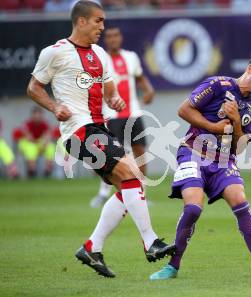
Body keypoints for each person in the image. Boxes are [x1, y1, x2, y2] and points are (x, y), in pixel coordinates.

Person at [26, 0, 175, 278]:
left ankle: (92, 247)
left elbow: (110, 90)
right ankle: (151, 241)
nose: (102, 27)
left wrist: (115, 99)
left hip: (99, 128)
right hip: (78, 131)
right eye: (98, 21)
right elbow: (34, 87)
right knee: (131, 173)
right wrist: (54, 107)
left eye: (103, 21)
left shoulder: (99, 54)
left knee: (128, 184)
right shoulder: (55, 52)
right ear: (81, 21)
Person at [149, 55, 251, 280]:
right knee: (193, 208)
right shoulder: (217, 85)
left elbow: (239, 149)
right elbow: (184, 110)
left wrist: (237, 121)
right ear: (250, 69)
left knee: (240, 200)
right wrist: (213, 126)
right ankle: (173, 266)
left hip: (223, 160)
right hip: (192, 152)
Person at [89, 26, 155, 208]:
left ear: (121, 38)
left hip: (133, 113)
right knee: (111, 155)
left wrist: (148, 90)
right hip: (111, 115)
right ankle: (103, 194)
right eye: (109, 36)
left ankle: (142, 192)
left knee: (140, 151)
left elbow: (140, 77)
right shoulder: (99, 59)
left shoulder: (131, 57)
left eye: (116, 35)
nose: (113, 39)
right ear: (105, 39)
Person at [18, 107, 55, 177]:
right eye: (36, 115)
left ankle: (48, 169)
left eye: (39, 116)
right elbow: (29, 138)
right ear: (33, 116)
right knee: (31, 148)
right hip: (28, 143)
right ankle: (32, 170)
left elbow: (48, 134)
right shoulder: (27, 124)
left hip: (37, 143)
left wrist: (45, 141)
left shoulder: (44, 124)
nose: (37, 118)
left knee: (50, 147)